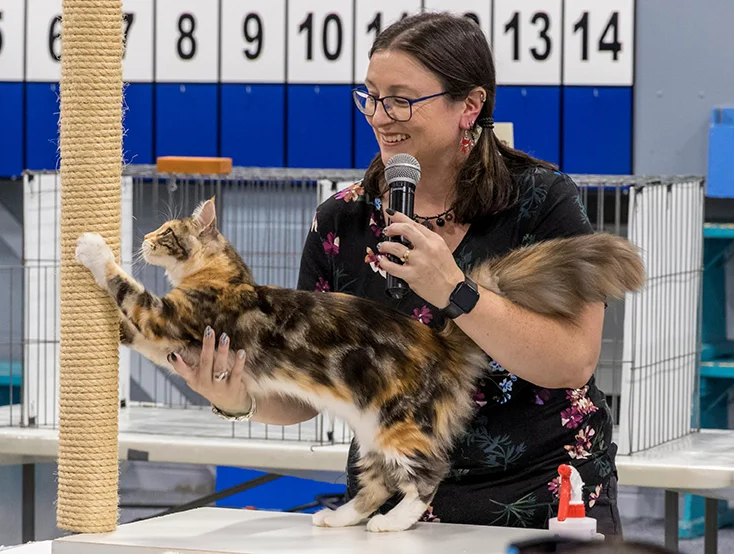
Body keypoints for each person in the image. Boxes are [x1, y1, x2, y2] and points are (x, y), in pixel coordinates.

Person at [167, 11, 622, 538]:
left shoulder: (542, 202)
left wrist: (454, 290)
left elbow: (572, 361)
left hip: (541, 504)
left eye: (402, 100)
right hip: (391, 509)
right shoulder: (342, 222)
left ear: (470, 106)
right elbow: (304, 387)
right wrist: (237, 398)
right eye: (371, 97)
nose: (381, 116)